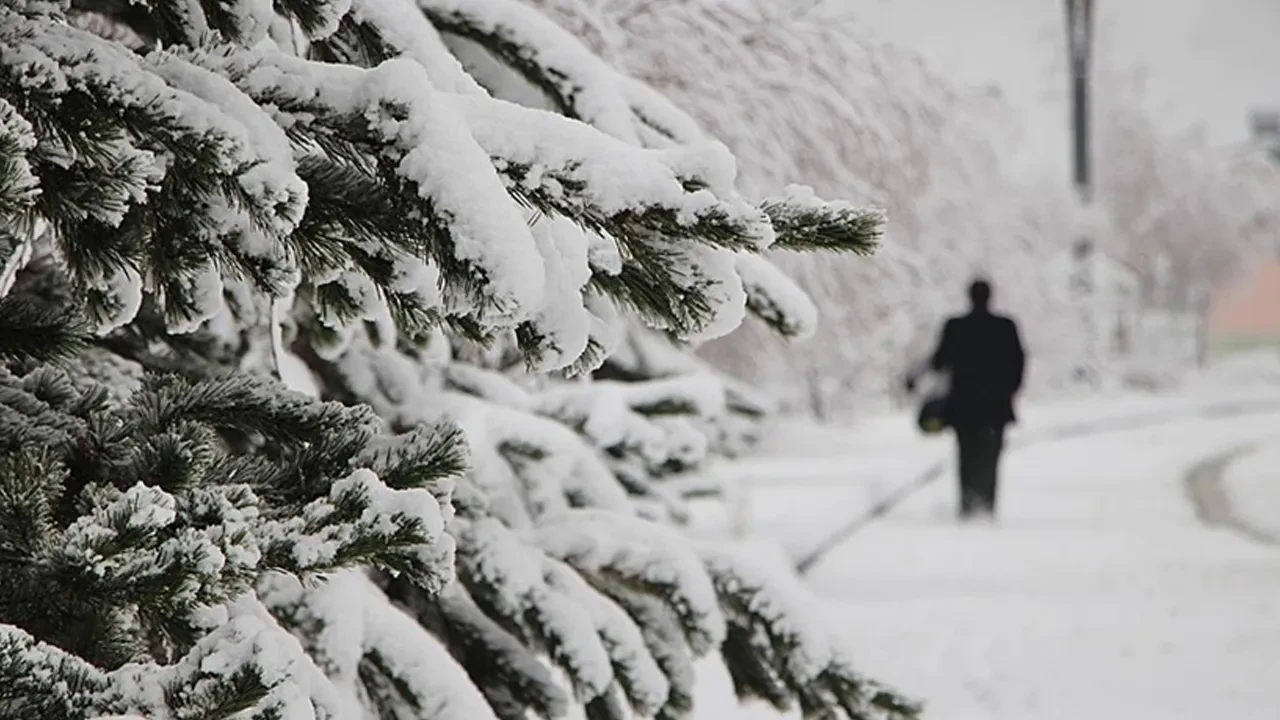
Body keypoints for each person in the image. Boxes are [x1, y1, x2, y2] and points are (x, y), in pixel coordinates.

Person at [909, 279, 1026, 520]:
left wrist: (914, 377)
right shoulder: (1005, 326)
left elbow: (939, 360)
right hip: (996, 406)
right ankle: (987, 504)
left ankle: (968, 504)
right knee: (991, 456)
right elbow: (1019, 362)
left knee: (966, 454)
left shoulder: (955, 327)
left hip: (964, 406)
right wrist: (1010, 390)